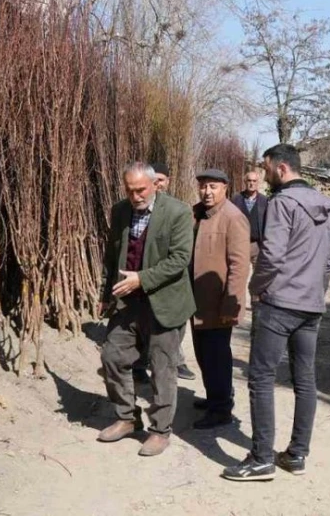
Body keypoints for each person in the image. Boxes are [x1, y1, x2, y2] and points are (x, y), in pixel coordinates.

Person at [222, 144, 330, 482]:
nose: (265, 173)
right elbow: (328, 263)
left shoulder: (282, 203)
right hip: (311, 306)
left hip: (280, 304)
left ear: (282, 168)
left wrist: (256, 288)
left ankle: (260, 459)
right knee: (305, 380)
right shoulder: (326, 207)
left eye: (267, 168)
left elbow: (270, 255)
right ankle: (297, 454)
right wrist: (315, 294)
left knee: (260, 378)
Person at [97, 162, 196, 457]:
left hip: (165, 302)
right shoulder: (120, 212)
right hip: (128, 302)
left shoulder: (177, 212)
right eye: (130, 190)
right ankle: (127, 418)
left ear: (155, 185)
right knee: (112, 356)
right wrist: (106, 294)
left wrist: (142, 278)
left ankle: (160, 430)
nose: (135, 196)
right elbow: (112, 255)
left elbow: (179, 259)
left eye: (140, 190)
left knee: (162, 368)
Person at [189, 169, 251, 429]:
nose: (207, 191)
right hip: (197, 301)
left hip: (218, 303)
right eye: (203, 186)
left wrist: (231, 303)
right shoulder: (197, 214)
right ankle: (215, 396)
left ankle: (221, 408)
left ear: (225, 188)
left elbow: (239, 265)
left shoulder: (233, 218)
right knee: (203, 354)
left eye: (213, 186)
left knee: (217, 356)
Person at [132, 161, 197, 384]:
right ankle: (140, 364)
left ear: (167, 182)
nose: (157, 185)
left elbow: (180, 256)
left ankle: (175, 362)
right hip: (141, 284)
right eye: (154, 181)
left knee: (171, 329)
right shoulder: (135, 208)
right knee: (142, 326)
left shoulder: (178, 209)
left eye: (161, 181)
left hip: (168, 284)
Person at [231, 170, 269, 303]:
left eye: (254, 181)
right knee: (238, 275)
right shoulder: (236, 199)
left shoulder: (265, 201)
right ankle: (236, 303)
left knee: (258, 277)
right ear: (245, 182)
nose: (251, 184)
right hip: (239, 244)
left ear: (258, 183)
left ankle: (256, 303)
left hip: (257, 245)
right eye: (249, 181)